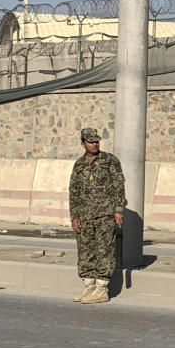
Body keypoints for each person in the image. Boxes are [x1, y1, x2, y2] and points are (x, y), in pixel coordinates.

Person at [68, 127, 125, 304]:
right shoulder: (79, 164)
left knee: (104, 250)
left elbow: (119, 186)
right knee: (85, 251)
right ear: (83, 143)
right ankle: (89, 286)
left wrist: (118, 210)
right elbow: (74, 190)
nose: (94, 144)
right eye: (90, 141)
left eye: (96, 141)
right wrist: (74, 215)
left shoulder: (109, 160)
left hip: (104, 215)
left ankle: (102, 289)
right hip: (85, 216)